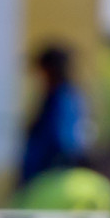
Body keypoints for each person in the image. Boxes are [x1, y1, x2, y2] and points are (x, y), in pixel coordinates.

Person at [19, 43, 89, 187]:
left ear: (50, 70)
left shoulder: (63, 99)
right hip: (48, 175)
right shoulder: (63, 97)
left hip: (50, 178)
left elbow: (62, 141)